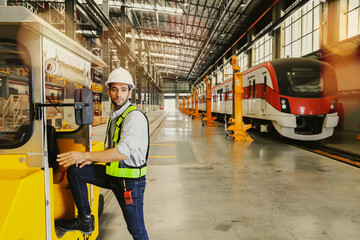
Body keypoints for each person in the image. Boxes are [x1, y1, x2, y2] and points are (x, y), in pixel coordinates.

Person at [56, 67, 149, 240]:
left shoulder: (133, 117)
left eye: (123, 89)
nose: (118, 94)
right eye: (114, 89)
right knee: (76, 172)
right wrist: (91, 161)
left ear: (130, 92)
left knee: (136, 231)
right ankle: (85, 220)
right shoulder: (115, 115)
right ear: (109, 91)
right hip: (113, 175)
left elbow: (121, 153)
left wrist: (85, 156)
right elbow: (111, 149)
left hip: (130, 184)